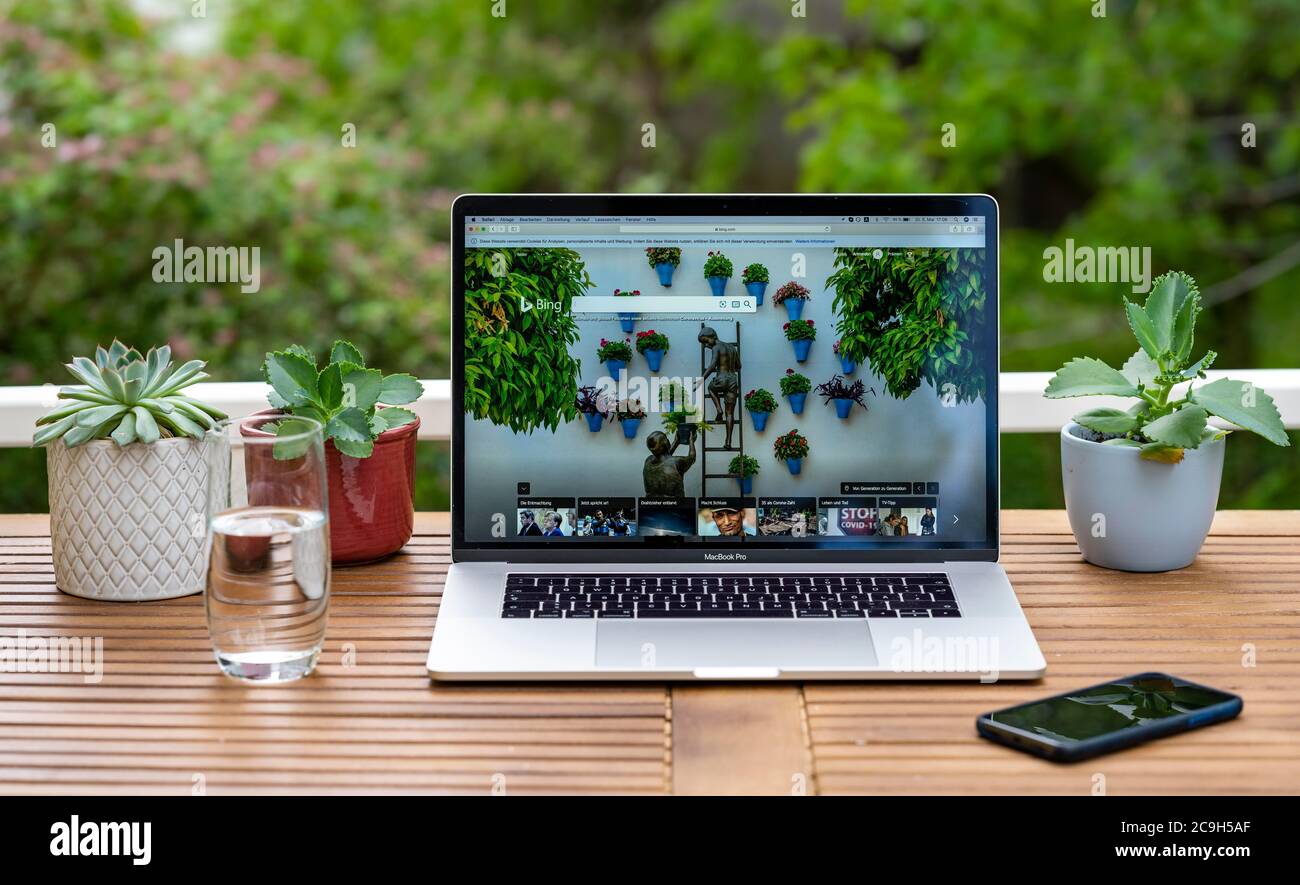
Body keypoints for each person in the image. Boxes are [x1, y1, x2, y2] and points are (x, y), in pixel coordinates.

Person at [697, 326, 742, 450]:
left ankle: (718, 409)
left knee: (710, 388)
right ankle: (728, 441)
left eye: (706, 341)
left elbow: (711, 366)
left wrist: (701, 380)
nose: (706, 345)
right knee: (730, 413)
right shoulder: (732, 347)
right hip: (733, 381)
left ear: (713, 336)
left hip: (721, 379)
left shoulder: (716, 347)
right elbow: (739, 365)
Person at [642, 430, 696, 497]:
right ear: (666, 443)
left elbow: (664, 459)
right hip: (675, 506)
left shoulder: (648, 461)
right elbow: (692, 458)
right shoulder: (677, 462)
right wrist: (691, 441)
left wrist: (676, 442)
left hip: (651, 505)